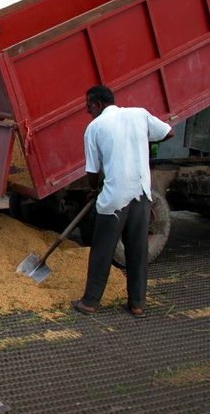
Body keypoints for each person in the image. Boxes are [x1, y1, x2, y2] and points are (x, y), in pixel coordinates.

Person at [72, 85, 173, 318]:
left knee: (102, 251)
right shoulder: (139, 114)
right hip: (141, 196)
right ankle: (137, 305)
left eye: (88, 106)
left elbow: (92, 170)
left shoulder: (95, 127)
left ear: (98, 104)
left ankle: (89, 303)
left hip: (114, 199)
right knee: (137, 251)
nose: (87, 110)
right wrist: (140, 144)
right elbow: (169, 133)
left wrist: (93, 189)